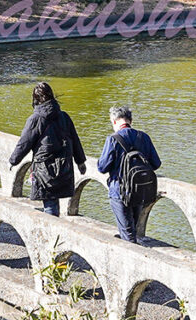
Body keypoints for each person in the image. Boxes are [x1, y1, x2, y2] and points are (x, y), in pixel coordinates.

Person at [9, 80, 86, 215]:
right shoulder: (64, 117)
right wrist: (80, 162)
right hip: (64, 165)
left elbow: (24, 143)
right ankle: (54, 224)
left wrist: (13, 160)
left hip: (44, 167)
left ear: (35, 99)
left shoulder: (36, 119)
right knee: (53, 200)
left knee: (49, 201)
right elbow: (75, 140)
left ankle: (52, 227)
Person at [95, 104, 162, 242]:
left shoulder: (113, 139)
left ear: (114, 121)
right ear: (130, 121)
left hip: (119, 192)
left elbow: (102, 167)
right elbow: (156, 164)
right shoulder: (144, 137)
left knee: (128, 235)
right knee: (132, 230)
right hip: (140, 190)